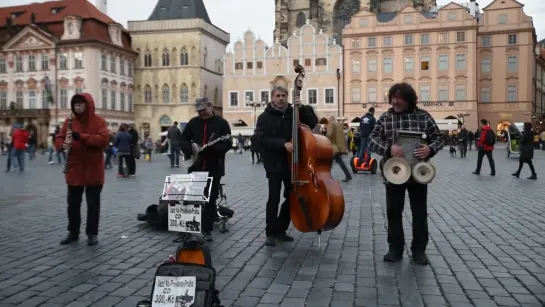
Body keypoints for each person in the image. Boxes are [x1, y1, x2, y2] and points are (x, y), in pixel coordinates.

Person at [369, 83, 443, 265]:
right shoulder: (385, 117)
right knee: (394, 212)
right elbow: (371, 139)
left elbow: (439, 138)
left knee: (419, 213)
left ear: (409, 100)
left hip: (418, 173)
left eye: (399, 98)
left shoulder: (423, 117)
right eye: (393, 97)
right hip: (393, 172)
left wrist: (429, 149)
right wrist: (388, 149)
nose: (395, 101)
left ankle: (419, 250)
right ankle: (395, 248)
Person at [255, 86, 318, 247]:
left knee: (291, 197)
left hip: (294, 163)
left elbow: (312, 123)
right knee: (274, 198)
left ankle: (281, 229)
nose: (281, 98)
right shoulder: (264, 117)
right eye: (278, 96)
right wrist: (282, 144)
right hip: (274, 163)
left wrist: (302, 108)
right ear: (272, 98)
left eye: (284, 95)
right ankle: (270, 232)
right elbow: (261, 140)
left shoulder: (294, 112)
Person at [55, 93, 109, 246]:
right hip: (75, 168)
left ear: (88, 105)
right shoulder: (69, 121)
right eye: (75, 105)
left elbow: (103, 140)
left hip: (93, 169)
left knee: (93, 205)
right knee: (72, 203)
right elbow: (60, 137)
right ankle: (73, 232)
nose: (78, 107)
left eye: (81, 105)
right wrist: (61, 145)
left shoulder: (98, 121)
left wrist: (82, 137)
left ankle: (92, 233)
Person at [181, 97, 232, 241]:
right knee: (192, 198)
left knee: (210, 199)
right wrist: (188, 150)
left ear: (210, 106)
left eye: (203, 110)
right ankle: (190, 228)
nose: (201, 113)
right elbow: (183, 139)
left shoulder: (222, 123)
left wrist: (212, 150)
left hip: (214, 167)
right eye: (198, 111)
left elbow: (227, 144)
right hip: (195, 166)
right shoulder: (193, 123)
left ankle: (207, 229)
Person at [326, 116, 351, 182]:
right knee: (339, 162)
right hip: (338, 147)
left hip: (333, 147)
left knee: (329, 163)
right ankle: (348, 175)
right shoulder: (338, 125)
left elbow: (329, 134)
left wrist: (326, 139)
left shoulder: (331, 124)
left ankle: (327, 177)